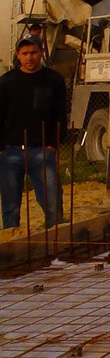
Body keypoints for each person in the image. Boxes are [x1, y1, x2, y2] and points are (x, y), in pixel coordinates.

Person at [0, 31, 69, 231]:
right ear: (18, 55)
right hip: (11, 152)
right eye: (25, 53)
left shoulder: (54, 80)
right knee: (11, 206)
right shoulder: (6, 82)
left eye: (33, 52)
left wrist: (52, 146)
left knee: (52, 204)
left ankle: (56, 243)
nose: (29, 57)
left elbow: (60, 115)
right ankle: (13, 245)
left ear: (41, 53)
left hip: (42, 151)